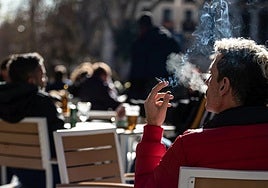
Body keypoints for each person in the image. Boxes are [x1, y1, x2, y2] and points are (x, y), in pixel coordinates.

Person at [134, 37, 268, 188]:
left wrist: (153, 128)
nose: (206, 82)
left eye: (211, 75)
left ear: (224, 86)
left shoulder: (189, 146)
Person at [0, 52, 65, 188]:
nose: (45, 80)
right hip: (50, 175)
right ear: (31, 80)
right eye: (43, 75)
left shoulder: (3, 102)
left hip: (19, 172)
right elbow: (59, 142)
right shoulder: (41, 102)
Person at [127, 11, 181, 103]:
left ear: (141, 27)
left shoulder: (141, 42)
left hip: (147, 83)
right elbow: (177, 56)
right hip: (166, 82)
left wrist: (132, 90)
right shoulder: (167, 37)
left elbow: (137, 67)